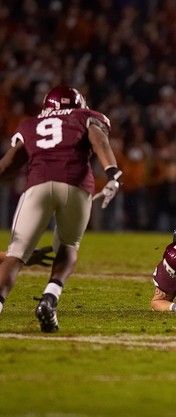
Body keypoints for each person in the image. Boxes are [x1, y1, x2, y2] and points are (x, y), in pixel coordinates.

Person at [0, 86, 121, 332]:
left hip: (38, 185)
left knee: (16, 255)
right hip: (76, 186)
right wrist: (112, 173)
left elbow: (8, 164)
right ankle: (50, 297)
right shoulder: (84, 117)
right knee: (68, 246)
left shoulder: (29, 124)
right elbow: (98, 138)